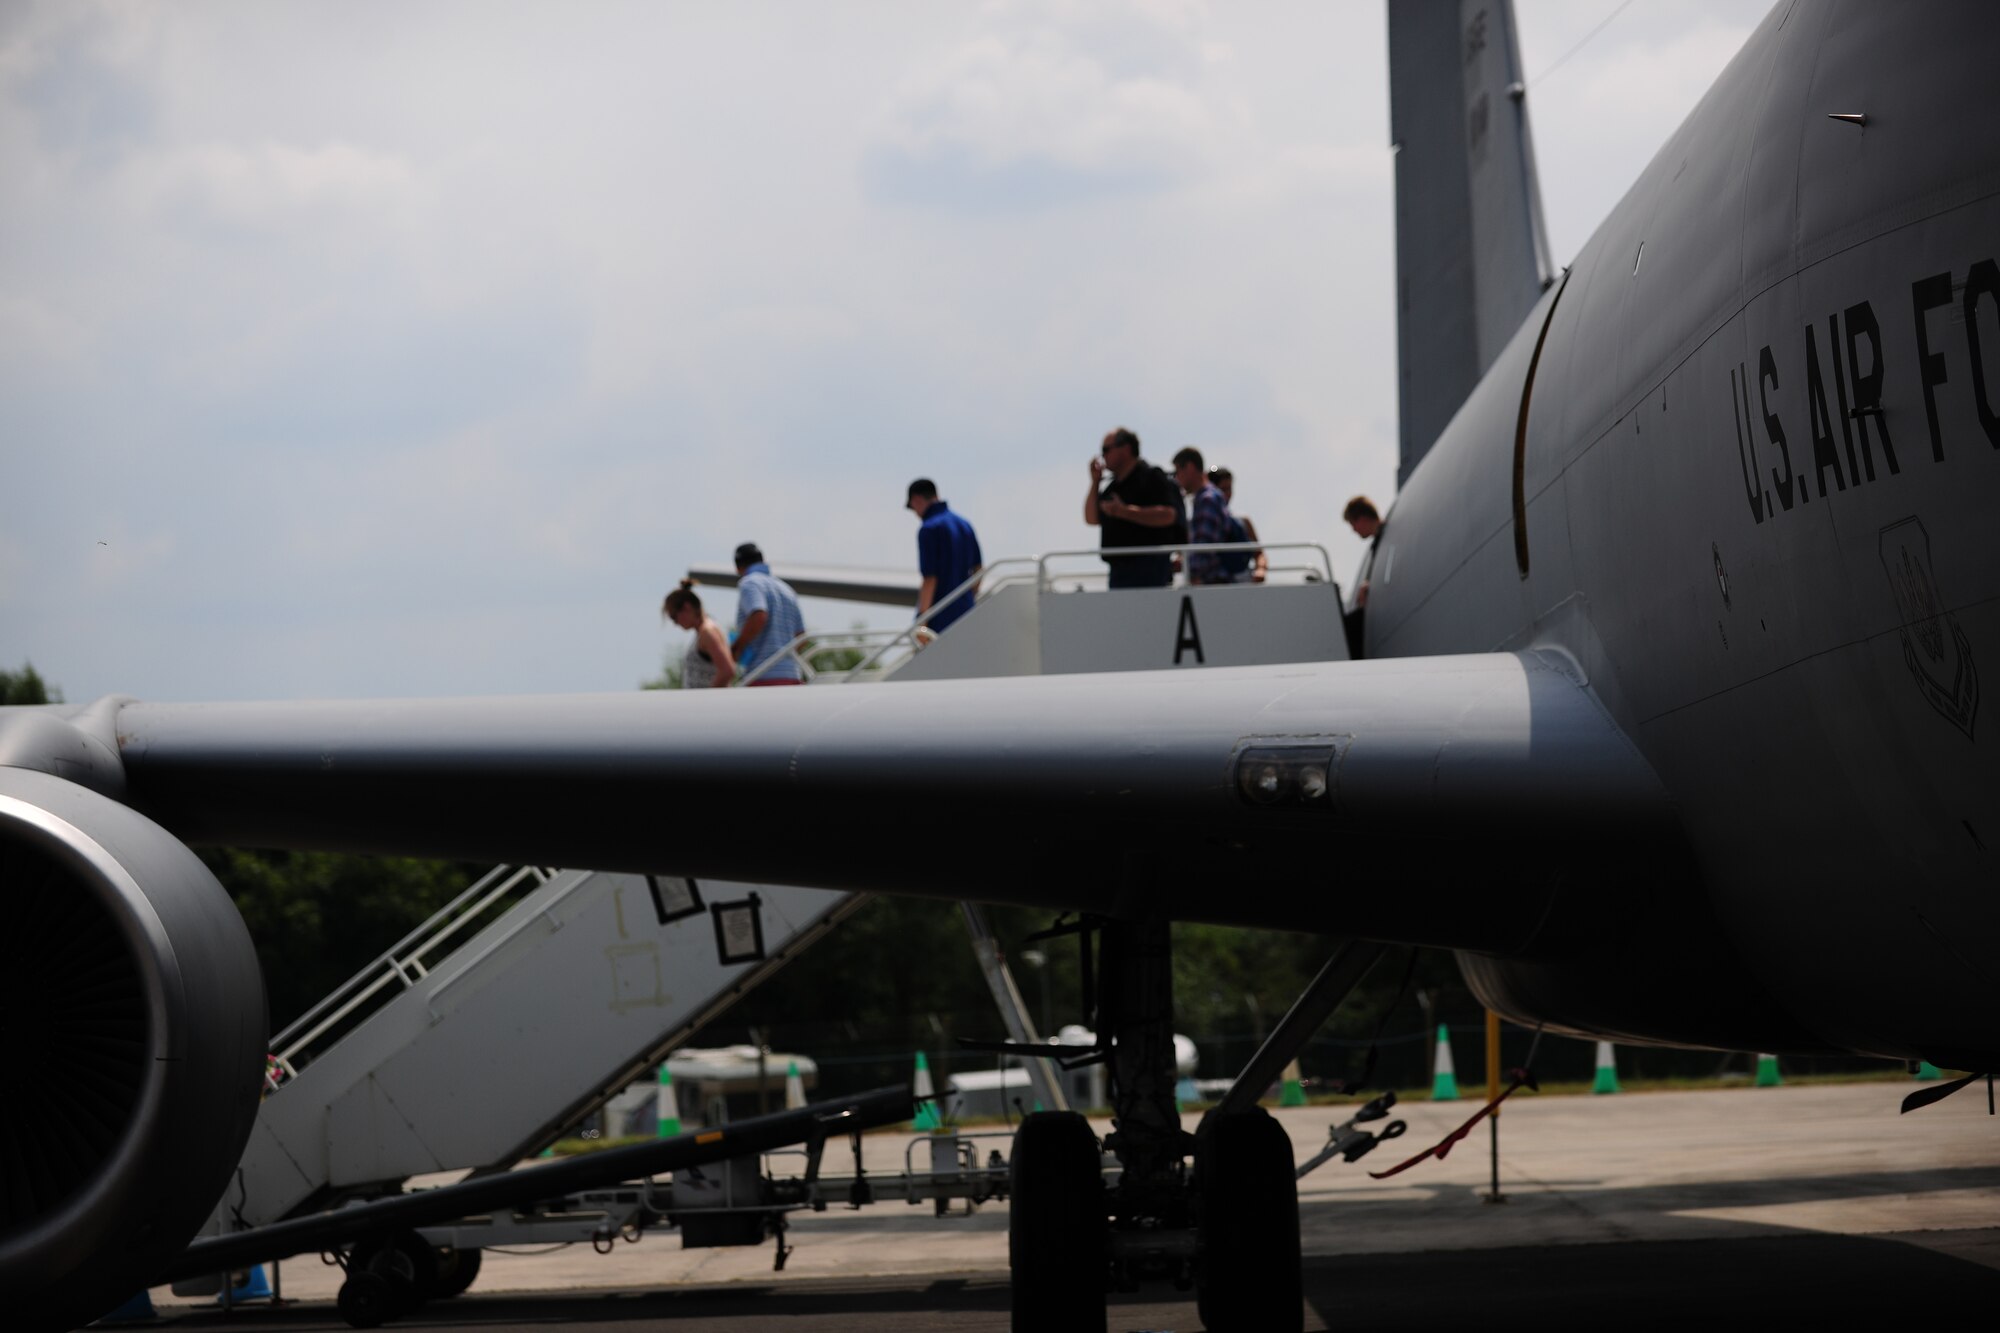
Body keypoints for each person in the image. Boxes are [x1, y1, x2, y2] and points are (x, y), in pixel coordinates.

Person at [1084, 427, 1185, 588]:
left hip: (1150, 569)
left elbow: (1168, 515)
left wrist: (1124, 512)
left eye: (1106, 449)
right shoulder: (1112, 488)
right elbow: (1091, 518)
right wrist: (1095, 482)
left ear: (1126, 448)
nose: (1102, 455)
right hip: (1119, 572)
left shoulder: (1152, 477)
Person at [906, 479, 983, 632]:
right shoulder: (964, 524)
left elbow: (930, 579)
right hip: (966, 610)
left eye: (912, 507)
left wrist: (922, 622)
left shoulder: (929, 529)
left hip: (940, 616)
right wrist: (967, 598)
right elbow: (979, 570)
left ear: (917, 500)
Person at [730, 543, 807, 685]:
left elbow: (759, 615)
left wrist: (738, 646)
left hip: (762, 676)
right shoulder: (786, 589)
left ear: (738, 568)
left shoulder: (749, 583)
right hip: (792, 676)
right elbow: (801, 637)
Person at [1171, 447, 1231, 586]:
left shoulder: (1207, 499)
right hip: (1216, 580)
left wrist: (1185, 565)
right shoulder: (1210, 496)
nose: (1176, 478)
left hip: (1211, 582)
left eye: (1177, 472)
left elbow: (1205, 548)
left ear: (1190, 467)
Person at [661, 579, 735, 688]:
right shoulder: (703, 631)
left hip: (709, 703)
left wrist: (708, 698)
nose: (676, 623)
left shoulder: (707, 632)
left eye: (674, 617)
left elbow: (727, 671)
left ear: (687, 607)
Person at [1342, 496, 1385, 659]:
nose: (1354, 530)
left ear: (1362, 519)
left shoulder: (1385, 539)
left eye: (1353, 524)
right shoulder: (1379, 542)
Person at [1207, 467, 1267, 584]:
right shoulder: (1200, 522)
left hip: (1241, 581)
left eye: (1229, 489)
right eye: (1222, 489)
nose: (1226, 494)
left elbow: (1259, 554)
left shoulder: (1242, 521)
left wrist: (1260, 570)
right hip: (1212, 583)